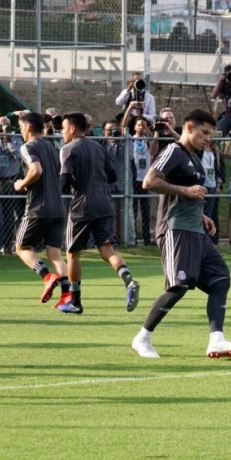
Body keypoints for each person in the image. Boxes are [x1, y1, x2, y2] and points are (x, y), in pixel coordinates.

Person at [132, 109, 231, 359]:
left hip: (195, 230)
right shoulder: (174, 151)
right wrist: (186, 191)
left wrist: (201, 214)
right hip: (175, 230)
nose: (208, 138)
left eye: (211, 134)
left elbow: (188, 193)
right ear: (188, 127)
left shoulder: (195, 158)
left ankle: (217, 339)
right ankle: (143, 338)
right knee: (179, 286)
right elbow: (149, 182)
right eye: (204, 132)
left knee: (220, 278)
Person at [58, 112, 140, 314]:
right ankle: (129, 281)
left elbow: (65, 181)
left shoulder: (68, 149)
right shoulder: (98, 147)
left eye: (63, 129)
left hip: (82, 206)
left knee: (72, 253)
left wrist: (68, 184)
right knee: (107, 250)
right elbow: (112, 175)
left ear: (72, 128)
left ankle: (75, 302)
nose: (61, 133)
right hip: (104, 203)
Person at [13, 112, 69, 306]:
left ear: (28, 127)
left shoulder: (27, 147)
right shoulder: (52, 149)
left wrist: (22, 183)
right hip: (57, 208)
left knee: (21, 248)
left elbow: (36, 170)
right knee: (55, 255)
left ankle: (47, 277)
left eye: (20, 127)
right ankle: (67, 296)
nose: (20, 131)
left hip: (38, 208)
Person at [121, 112, 159, 246]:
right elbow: (123, 127)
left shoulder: (148, 141)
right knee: (133, 210)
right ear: (135, 127)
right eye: (139, 125)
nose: (141, 127)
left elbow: (154, 150)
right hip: (134, 178)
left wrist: (152, 133)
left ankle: (147, 238)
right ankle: (133, 238)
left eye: (144, 125)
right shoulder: (131, 139)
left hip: (146, 179)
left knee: (146, 211)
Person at [0, 115, 24, 255]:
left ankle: (7, 246)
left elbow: (18, 155)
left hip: (10, 178)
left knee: (8, 213)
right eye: (0, 125)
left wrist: (7, 139)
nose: (3, 127)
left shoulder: (15, 138)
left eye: (6, 125)